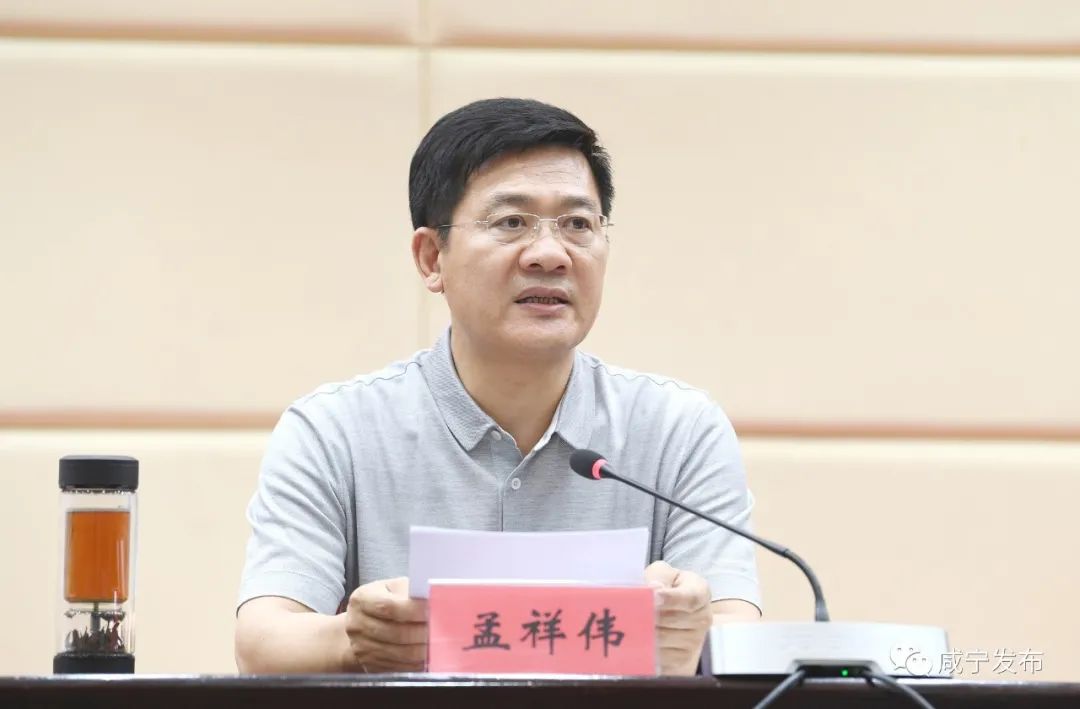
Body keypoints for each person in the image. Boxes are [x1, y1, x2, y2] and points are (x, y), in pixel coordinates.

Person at [234, 98, 761, 676]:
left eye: (578, 224)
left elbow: (738, 636)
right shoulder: (335, 431)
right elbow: (262, 644)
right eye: (511, 222)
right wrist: (353, 638)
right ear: (431, 257)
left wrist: (690, 636)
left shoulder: (679, 429)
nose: (550, 254)